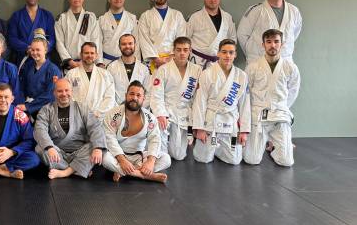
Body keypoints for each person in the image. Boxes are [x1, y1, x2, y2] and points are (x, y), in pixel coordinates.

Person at [243, 29, 301, 167]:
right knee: (252, 160)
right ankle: (262, 142)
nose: (272, 45)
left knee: (286, 162)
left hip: (279, 116)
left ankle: (273, 146)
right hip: (259, 116)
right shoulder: (253, 67)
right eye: (268, 42)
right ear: (263, 44)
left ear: (282, 44)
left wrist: (281, 107)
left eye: (276, 41)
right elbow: (246, 93)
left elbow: (293, 91)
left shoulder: (290, 67)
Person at [192, 39, 251, 165]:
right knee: (203, 159)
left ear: (235, 54)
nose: (227, 56)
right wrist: (199, 129)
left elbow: (244, 104)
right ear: (218, 53)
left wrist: (244, 131)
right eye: (224, 52)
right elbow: (199, 103)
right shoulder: (207, 74)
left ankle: (218, 149)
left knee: (234, 160)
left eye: (231, 52)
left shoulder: (242, 76)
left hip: (230, 122)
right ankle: (213, 147)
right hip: (211, 122)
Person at [34, 78, 106, 179]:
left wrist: (97, 148)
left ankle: (65, 172)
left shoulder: (82, 107)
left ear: (71, 91)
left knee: (96, 146)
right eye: (60, 91)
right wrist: (49, 147)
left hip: (80, 152)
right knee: (40, 148)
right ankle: (77, 169)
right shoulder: (46, 110)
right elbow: (39, 130)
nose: (64, 94)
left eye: (67, 90)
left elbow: (95, 127)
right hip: (57, 152)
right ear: (54, 93)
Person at [101, 81, 168, 183]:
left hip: (139, 157)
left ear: (143, 99)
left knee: (166, 159)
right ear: (126, 95)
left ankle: (122, 172)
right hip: (117, 156)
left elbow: (155, 139)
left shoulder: (150, 118)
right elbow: (109, 139)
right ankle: (144, 175)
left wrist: (150, 161)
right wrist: (122, 160)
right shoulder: (112, 114)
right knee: (105, 158)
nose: (134, 98)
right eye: (131, 94)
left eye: (138, 95)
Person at [149, 37, 202, 165]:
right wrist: (160, 114)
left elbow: (198, 98)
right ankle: (156, 149)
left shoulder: (197, 70)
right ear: (173, 50)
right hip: (167, 112)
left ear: (190, 51)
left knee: (178, 155)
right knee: (162, 155)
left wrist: (197, 122)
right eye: (179, 50)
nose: (182, 53)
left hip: (184, 114)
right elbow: (156, 95)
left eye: (185, 50)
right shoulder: (163, 69)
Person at [237, 0, 302, 62]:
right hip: (259, 59)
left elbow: (295, 33)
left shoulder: (294, 11)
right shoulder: (255, 10)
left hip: (285, 59)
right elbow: (242, 34)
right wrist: (251, 53)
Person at [136, 0, 187, 71]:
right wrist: (156, 59)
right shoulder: (145, 16)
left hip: (174, 59)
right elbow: (144, 39)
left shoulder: (177, 15)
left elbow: (181, 38)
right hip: (153, 61)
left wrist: (171, 57)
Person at [186, 0, 237, 68]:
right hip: (198, 61)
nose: (213, 0)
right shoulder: (194, 17)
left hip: (220, 61)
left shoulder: (228, 17)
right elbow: (185, 39)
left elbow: (232, 39)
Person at [7, 0, 56, 68]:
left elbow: (52, 38)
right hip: (23, 59)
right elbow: (12, 38)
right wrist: (27, 48)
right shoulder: (16, 16)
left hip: (42, 60)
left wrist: (42, 49)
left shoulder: (47, 15)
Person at [55, 0, 103, 70]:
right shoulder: (62, 18)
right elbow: (59, 42)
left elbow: (96, 40)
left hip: (88, 62)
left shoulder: (91, 17)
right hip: (69, 64)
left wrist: (97, 61)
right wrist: (70, 61)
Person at [65, 42, 116, 119]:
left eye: (92, 53)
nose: (89, 55)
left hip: (99, 118)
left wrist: (97, 113)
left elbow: (110, 98)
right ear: (81, 55)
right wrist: (78, 113)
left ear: (96, 55)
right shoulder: (71, 74)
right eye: (86, 53)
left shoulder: (105, 75)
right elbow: (67, 95)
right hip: (77, 118)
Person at [17, 33, 61, 119]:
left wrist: (29, 107)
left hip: (45, 109)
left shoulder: (53, 70)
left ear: (45, 50)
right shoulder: (28, 66)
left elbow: (50, 95)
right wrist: (22, 103)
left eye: (38, 50)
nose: (35, 53)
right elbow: (21, 87)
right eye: (32, 50)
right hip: (26, 105)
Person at [106, 34, 151, 105]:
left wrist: (138, 108)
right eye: (124, 44)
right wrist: (118, 109)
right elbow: (108, 92)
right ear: (119, 46)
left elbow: (149, 93)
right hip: (117, 108)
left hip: (139, 109)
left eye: (130, 43)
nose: (127, 46)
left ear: (135, 45)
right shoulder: (111, 67)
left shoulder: (144, 68)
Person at [99, 0, 138, 65]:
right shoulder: (101, 19)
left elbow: (136, 42)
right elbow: (98, 43)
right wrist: (99, 62)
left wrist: (136, 61)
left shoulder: (132, 18)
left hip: (128, 60)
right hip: (106, 61)